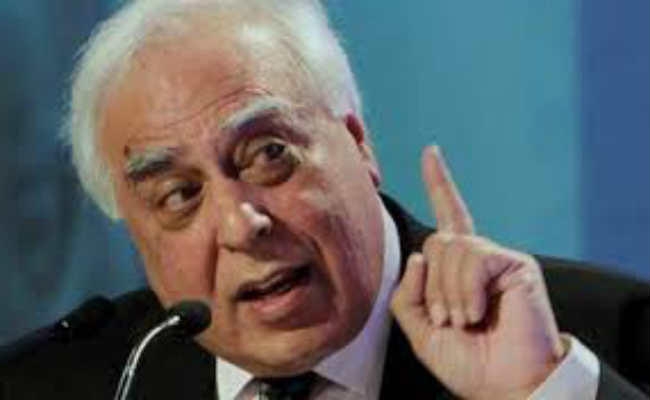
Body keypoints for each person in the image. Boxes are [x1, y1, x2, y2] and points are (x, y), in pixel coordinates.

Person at [1, 0, 648, 399]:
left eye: (268, 154)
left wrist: (536, 391)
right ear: (131, 229)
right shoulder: (59, 384)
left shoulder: (607, 339)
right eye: (179, 194)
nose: (241, 224)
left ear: (358, 144)